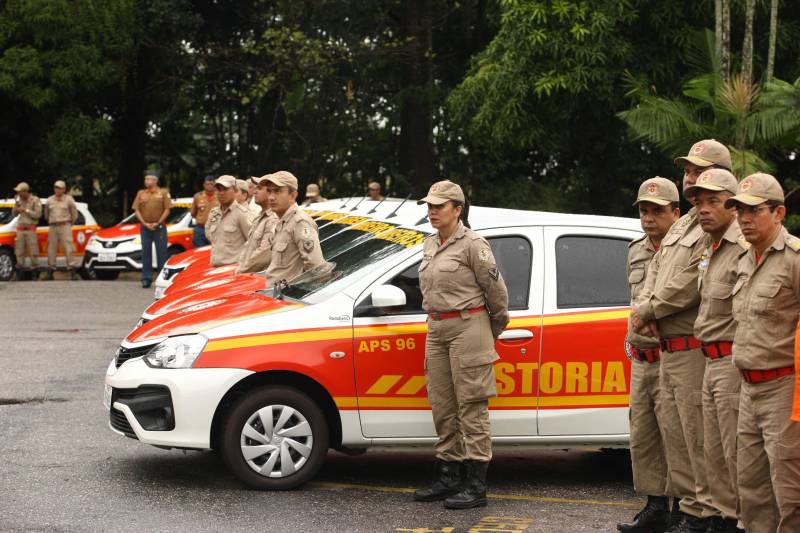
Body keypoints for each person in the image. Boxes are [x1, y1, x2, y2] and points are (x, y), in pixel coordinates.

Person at [631, 139, 732, 532]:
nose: (690, 178)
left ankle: (702, 515)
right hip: (666, 344)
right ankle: (689, 512)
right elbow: (656, 272)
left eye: (698, 171)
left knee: (698, 437)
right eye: (688, 171)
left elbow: (692, 281)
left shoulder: (715, 225)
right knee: (676, 438)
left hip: (693, 347)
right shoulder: (687, 223)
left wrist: (650, 309)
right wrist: (647, 310)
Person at [413, 180, 509, 510]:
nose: (432, 211)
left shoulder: (474, 245)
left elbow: (497, 294)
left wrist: (488, 331)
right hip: (436, 328)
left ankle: (476, 483)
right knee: (442, 404)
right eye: (429, 206)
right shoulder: (429, 243)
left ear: (458, 209)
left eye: (439, 206)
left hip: (469, 326)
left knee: (472, 405)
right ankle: (449, 474)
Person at [725, 173, 800, 533]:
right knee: (751, 488)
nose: (744, 218)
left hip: (784, 389)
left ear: (779, 212)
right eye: (740, 210)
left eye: (754, 211)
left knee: (790, 490)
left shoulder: (795, 260)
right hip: (747, 388)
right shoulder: (744, 258)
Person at [618, 177, 680, 533]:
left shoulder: (686, 251)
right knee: (643, 435)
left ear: (676, 212)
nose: (649, 217)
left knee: (678, 436)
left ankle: (682, 510)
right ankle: (655, 506)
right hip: (642, 359)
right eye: (644, 210)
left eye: (658, 211)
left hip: (675, 357)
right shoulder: (635, 250)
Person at [684, 168, 745, 533]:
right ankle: (723, 519)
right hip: (710, 360)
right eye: (699, 202)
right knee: (715, 453)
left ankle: (738, 520)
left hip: (734, 362)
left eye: (713, 202)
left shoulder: (743, 246)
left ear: (733, 206)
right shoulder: (711, 245)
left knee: (737, 452)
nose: (703, 209)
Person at [262, 172, 324, 285]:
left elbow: (317, 268)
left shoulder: (300, 222)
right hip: (272, 294)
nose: (271, 197)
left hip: (285, 297)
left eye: (277, 191)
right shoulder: (281, 221)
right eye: (269, 191)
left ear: (293, 195)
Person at [132, 172, 171, 288]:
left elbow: (167, 209)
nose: (146, 181)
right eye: (146, 179)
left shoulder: (163, 192)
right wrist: (144, 223)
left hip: (159, 227)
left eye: (149, 179)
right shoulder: (141, 193)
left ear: (155, 181)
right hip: (145, 227)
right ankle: (146, 278)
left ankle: (162, 278)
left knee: (162, 253)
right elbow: (136, 210)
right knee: (146, 253)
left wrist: (158, 222)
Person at [205, 175, 251, 267]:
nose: (221, 193)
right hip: (214, 268)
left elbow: (252, 243)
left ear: (234, 190)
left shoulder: (242, 213)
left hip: (233, 271)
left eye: (225, 189)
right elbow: (209, 235)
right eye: (218, 189)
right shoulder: (214, 213)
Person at [236, 177, 278, 274]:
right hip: (248, 275)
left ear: (270, 193)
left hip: (258, 279)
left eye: (259, 188)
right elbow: (247, 247)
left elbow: (262, 255)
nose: (254, 192)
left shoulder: (273, 219)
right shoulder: (260, 218)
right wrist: (239, 266)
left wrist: (240, 271)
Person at [43, 180, 79, 280]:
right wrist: (51, 222)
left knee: (69, 247)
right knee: (51, 248)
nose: (57, 189)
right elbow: (46, 214)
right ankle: (50, 271)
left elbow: (74, 214)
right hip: (53, 226)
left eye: (59, 188)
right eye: (55, 187)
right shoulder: (50, 200)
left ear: (64, 189)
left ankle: (72, 270)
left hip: (65, 225)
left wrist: (70, 223)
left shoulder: (69, 199)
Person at [11, 182, 42, 280]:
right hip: (20, 229)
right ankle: (20, 273)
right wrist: (16, 207)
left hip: (30, 229)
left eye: (20, 192)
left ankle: (34, 273)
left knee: (33, 251)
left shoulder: (35, 200)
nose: (18, 194)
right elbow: (14, 214)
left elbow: (38, 214)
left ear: (25, 191)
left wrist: (26, 210)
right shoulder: (18, 200)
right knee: (19, 251)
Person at [190, 175, 218, 247]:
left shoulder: (219, 196)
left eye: (211, 184)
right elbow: (193, 213)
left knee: (214, 252)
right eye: (207, 184)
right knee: (198, 251)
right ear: (204, 185)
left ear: (215, 185)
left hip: (215, 229)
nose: (209, 186)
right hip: (200, 228)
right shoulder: (197, 196)